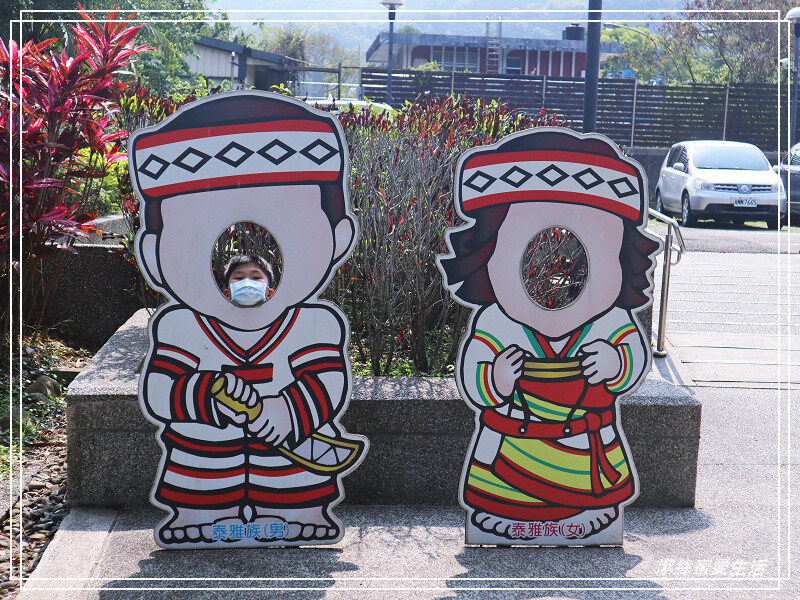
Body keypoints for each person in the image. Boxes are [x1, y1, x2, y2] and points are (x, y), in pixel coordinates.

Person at [129, 91, 365, 549]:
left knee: (298, 474)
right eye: (238, 277)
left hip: (292, 450)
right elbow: (159, 388)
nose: (247, 284)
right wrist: (206, 395)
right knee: (198, 465)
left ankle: (300, 512)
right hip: (204, 452)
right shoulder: (182, 327)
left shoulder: (314, 324)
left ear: (338, 238)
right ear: (153, 257)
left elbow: (328, 380)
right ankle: (199, 514)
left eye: (257, 276)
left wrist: (290, 410)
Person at [438, 127, 661, 544]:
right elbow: (474, 370)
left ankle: (590, 509)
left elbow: (631, 355)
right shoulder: (497, 322)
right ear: (485, 255)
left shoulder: (610, 321)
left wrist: (616, 363)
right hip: (512, 443)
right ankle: (502, 510)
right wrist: (494, 379)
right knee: (502, 492)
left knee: (589, 489)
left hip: (586, 446)